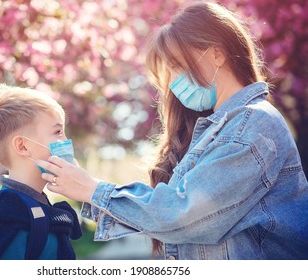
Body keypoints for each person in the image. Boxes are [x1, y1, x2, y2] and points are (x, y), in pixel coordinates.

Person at [36, 1, 308, 260]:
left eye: (178, 67)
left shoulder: (251, 125)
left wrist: (93, 189)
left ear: (217, 53)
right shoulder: (219, 128)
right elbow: (166, 218)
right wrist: (85, 189)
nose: (175, 83)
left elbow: (183, 215)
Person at [0, 83, 82, 259]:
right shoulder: (4, 217)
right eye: (58, 131)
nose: (66, 140)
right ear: (23, 146)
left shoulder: (32, 204)